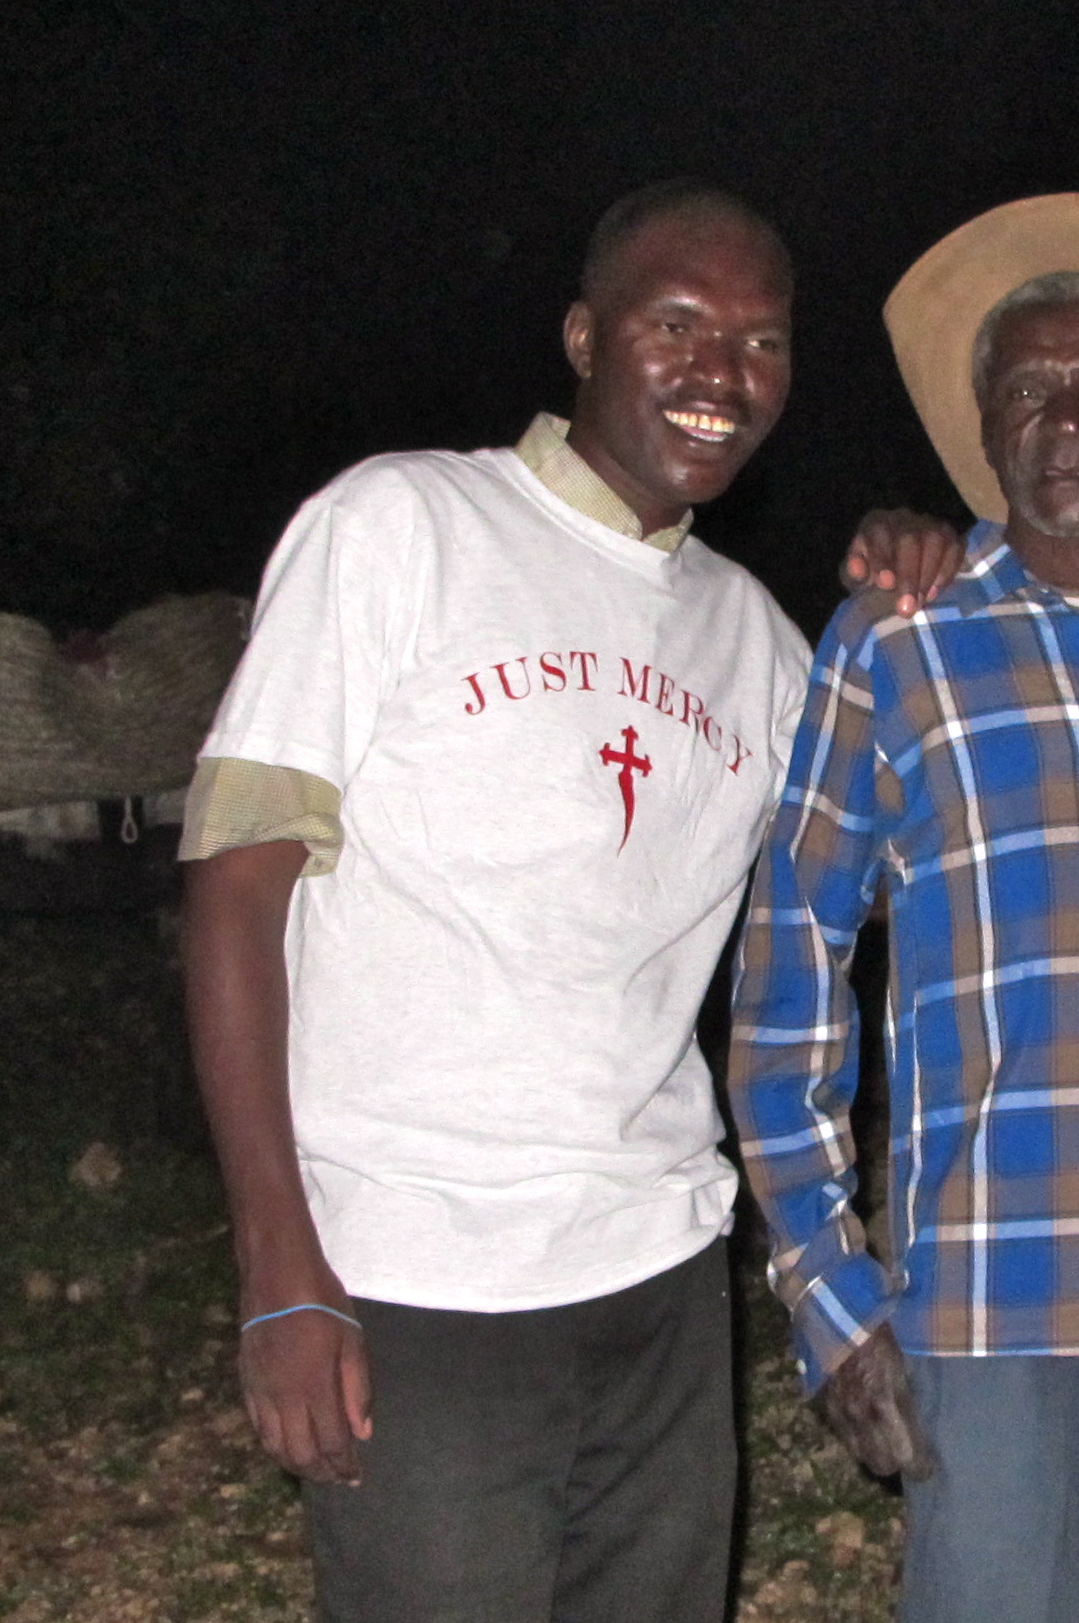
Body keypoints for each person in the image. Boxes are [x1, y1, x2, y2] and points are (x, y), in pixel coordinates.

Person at [181, 180, 955, 1623]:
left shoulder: (760, 641)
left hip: (662, 1270)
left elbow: (912, 858)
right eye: (679, 324)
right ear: (586, 336)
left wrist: (932, 577)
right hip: (419, 1273)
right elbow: (233, 892)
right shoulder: (402, 526)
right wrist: (278, 1260)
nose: (724, 371)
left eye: (764, 340)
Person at [725, 193, 1079, 1623]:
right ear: (986, 428)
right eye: (1028, 387)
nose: (1066, 415)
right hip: (999, 1304)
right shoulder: (898, 635)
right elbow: (788, 966)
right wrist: (829, 1293)